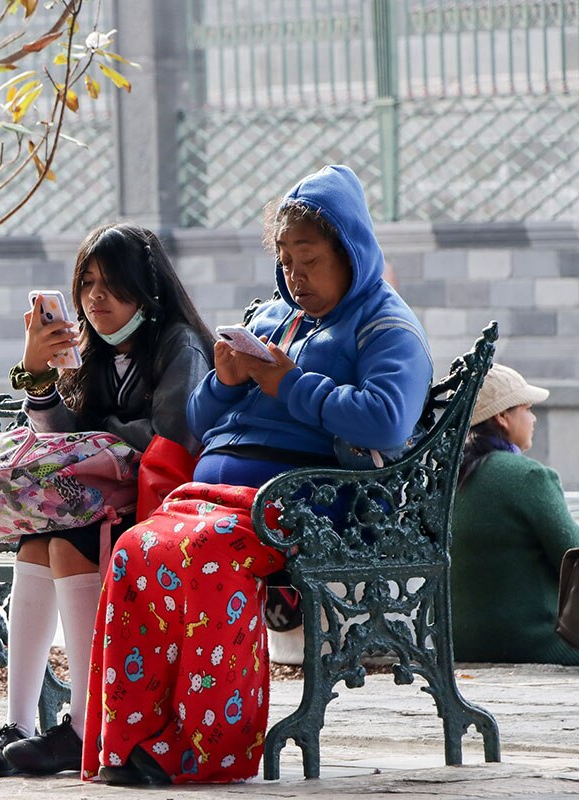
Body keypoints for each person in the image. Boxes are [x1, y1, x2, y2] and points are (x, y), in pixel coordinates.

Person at [83, 165, 433, 785]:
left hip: (311, 501)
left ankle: (209, 747)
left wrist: (289, 383)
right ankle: (137, 738)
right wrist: (225, 382)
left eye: (311, 260)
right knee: (137, 551)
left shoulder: (385, 324)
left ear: (351, 253)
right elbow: (194, 421)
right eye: (287, 261)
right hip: (218, 495)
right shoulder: (271, 319)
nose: (296, 277)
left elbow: (386, 421)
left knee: (204, 555)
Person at [0, 223, 215, 780]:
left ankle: (86, 725)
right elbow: (61, 439)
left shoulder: (179, 344)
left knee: (69, 538)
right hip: (102, 498)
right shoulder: (94, 351)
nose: (95, 298)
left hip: (163, 507)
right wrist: (37, 376)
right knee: (35, 539)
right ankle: (17, 724)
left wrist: (97, 434)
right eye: (86, 283)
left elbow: (172, 435)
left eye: (111, 284)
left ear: (146, 290)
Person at [451, 364, 579, 666]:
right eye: (527, 409)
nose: (533, 419)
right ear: (502, 416)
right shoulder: (529, 476)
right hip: (534, 642)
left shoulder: (451, 478)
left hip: (462, 644)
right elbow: (572, 556)